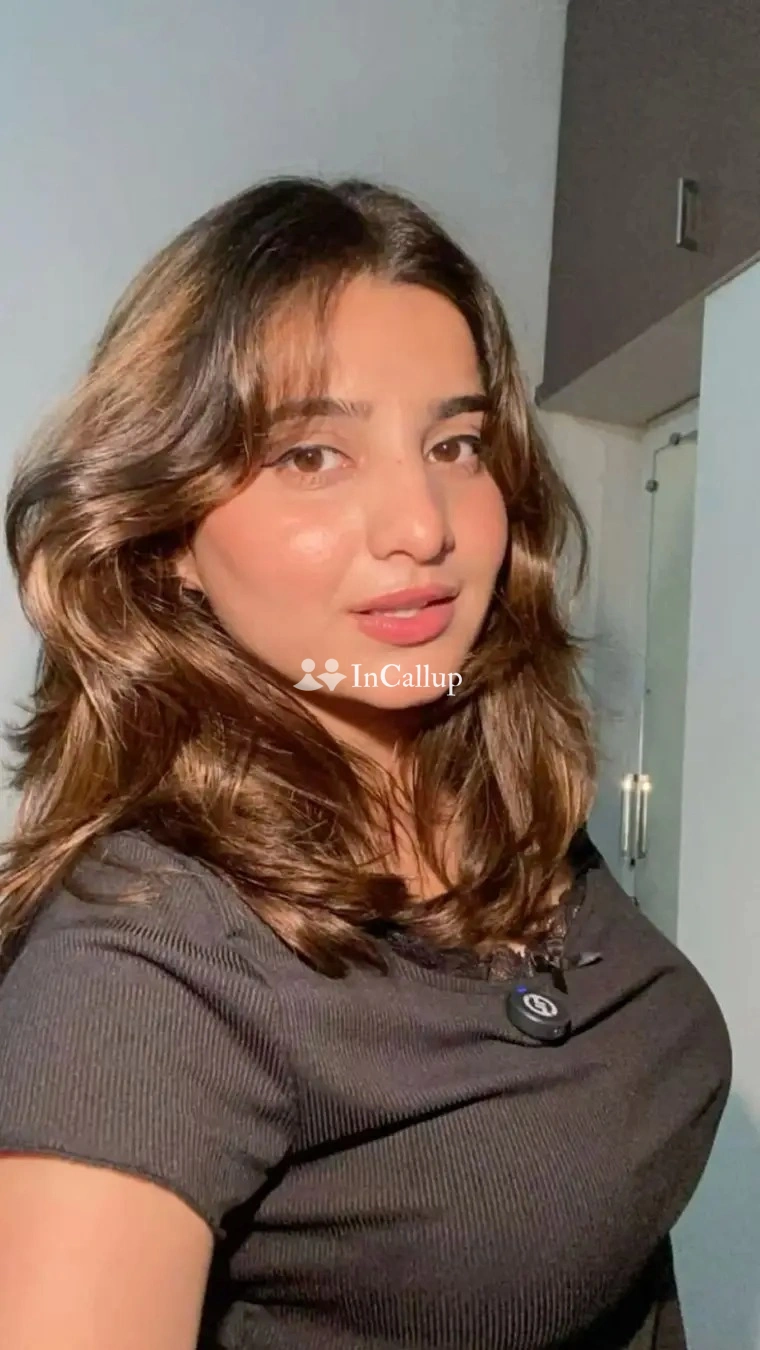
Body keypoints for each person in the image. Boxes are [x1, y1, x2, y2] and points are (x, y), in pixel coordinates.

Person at [0, 176, 731, 1350]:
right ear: (168, 529)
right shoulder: (144, 957)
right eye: (310, 456)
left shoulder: (501, 807)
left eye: (455, 444)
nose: (423, 527)